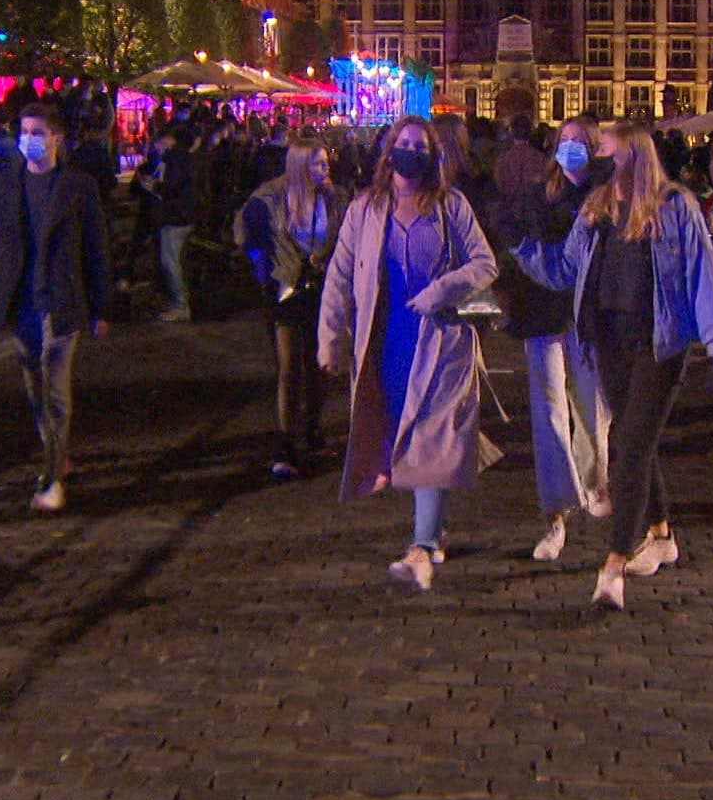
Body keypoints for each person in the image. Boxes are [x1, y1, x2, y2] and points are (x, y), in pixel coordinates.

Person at [515, 122, 713, 610]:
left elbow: (703, 275)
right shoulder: (596, 209)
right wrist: (520, 247)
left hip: (658, 345)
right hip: (608, 344)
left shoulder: (674, 208)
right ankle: (660, 534)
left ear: (633, 157)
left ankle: (612, 568)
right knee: (638, 441)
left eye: (604, 152)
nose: (594, 159)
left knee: (628, 450)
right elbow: (563, 269)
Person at [317, 116, 497, 592]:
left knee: (432, 438)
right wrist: (330, 338)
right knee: (404, 435)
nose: (410, 151)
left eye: (420, 145)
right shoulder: (365, 209)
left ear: (433, 155)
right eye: (403, 143)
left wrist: (444, 289)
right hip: (387, 340)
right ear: (388, 150)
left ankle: (420, 549)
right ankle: (433, 533)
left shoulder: (451, 206)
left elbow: (484, 262)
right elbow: (339, 276)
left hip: (441, 341)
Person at [0, 103, 112, 513]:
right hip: (20, 302)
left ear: (57, 139)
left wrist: (102, 306)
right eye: (24, 131)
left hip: (60, 301)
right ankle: (55, 451)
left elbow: (96, 248)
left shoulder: (77, 186)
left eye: (37, 132)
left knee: (55, 388)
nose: (28, 139)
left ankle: (52, 478)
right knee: (34, 388)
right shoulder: (6, 184)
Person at [494, 116, 613, 561]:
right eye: (565, 142)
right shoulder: (537, 198)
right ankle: (556, 512)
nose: (571, 149)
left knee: (592, 409)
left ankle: (593, 482)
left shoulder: (606, 196)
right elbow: (514, 239)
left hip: (588, 318)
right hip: (542, 313)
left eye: (581, 142)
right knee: (548, 412)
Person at [239, 139, 347, 479]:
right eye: (317, 163)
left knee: (321, 365)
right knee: (289, 368)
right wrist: (260, 264)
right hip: (286, 289)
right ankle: (286, 444)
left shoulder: (335, 199)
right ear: (300, 165)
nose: (325, 169)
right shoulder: (270, 198)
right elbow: (246, 233)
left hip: (323, 289)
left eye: (326, 162)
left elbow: (346, 237)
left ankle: (313, 431)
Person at [139, 125, 199, 322]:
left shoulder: (174, 158)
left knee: (170, 261)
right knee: (175, 260)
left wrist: (154, 186)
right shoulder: (187, 158)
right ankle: (178, 301)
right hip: (183, 215)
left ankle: (180, 304)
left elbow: (173, 188)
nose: (158, 149)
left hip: (175, 217)